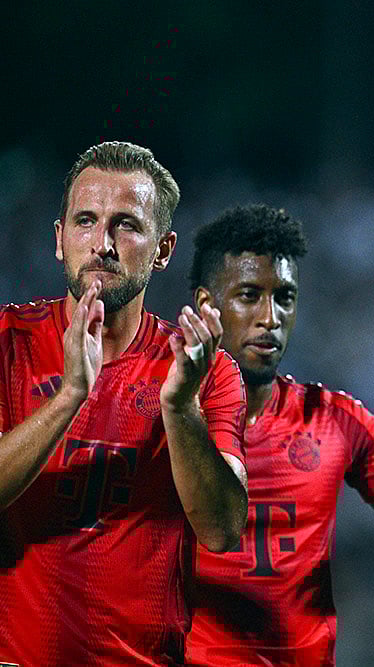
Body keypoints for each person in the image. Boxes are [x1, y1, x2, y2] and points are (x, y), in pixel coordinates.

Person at [183, 204, 374, 666]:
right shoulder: (163, 419)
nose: (270, 317)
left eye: (284, 297)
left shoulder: (334, 419)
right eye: (248, 295)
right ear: (208, 305)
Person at [0, 141, 249, 665]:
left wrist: (181, 410)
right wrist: (71, 393)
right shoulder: (6, 342)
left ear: (164, 249)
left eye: (127, 225)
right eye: (86, 220)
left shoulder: (205, 371)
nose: (102, 244)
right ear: (59, 239)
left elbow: (224, 530)